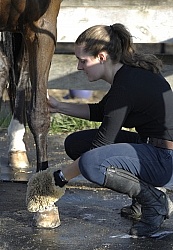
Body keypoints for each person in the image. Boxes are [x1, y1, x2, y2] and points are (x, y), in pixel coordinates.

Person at [28, 23, 173, 237]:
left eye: (83, 60)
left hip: (164, 160)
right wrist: (59, 106)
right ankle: (145, 198)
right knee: (76, 144)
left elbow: (100, 148)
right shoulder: (128, 75)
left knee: (91, 162)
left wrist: (56, 180)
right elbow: (102, 111)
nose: (79, 67)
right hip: (152, 148)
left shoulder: (126, 86)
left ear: (102, 57)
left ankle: (154, 202)